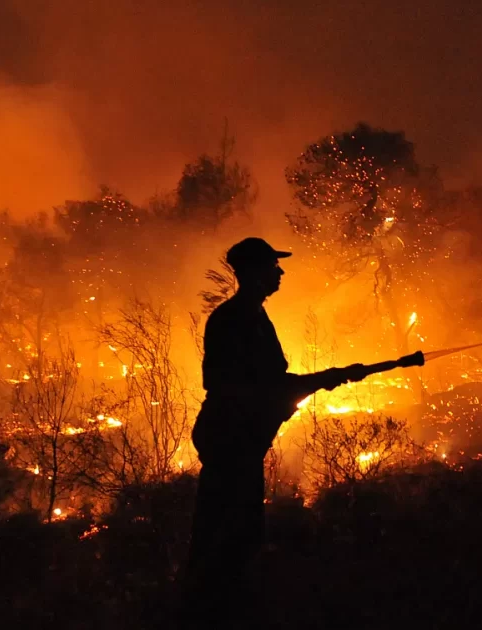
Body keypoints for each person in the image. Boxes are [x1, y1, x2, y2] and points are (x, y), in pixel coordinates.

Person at [182, 237, 366, 625]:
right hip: (231, 442)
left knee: (231, 533)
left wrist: (324, 379)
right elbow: (249, 385)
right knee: (228, 536)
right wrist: (323, 379)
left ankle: (214, 605)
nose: (279, 272)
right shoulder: (235, 319)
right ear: (251, 272)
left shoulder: (250, 316)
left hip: (237, 441)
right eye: (272, 266)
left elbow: (268, 383)